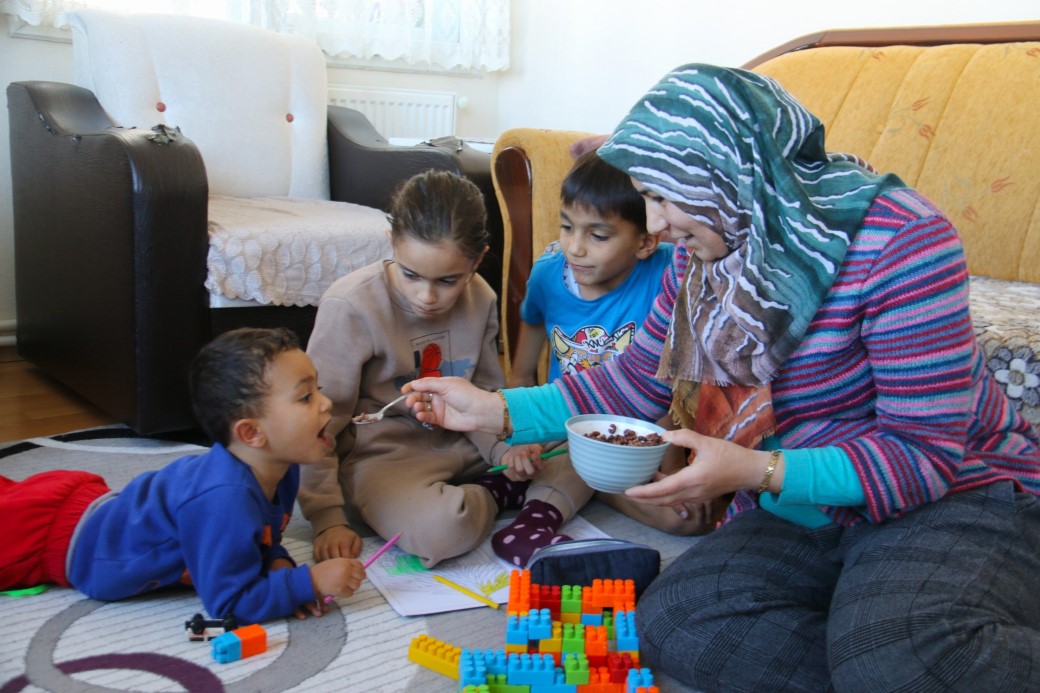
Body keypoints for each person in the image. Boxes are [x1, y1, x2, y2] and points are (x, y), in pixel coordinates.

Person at [405, 64, 1040, 691]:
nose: (654, 226)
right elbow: (631, 383)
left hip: (950, 494)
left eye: (663, 197)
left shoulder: (903, 242)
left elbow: (922, 456)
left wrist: (751, 471)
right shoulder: (707, 247)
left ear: (733, 174)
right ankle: (880, 654)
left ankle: (893, 651)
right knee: (679, 623)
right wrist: (492, 410)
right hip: (811, 510)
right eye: (646, 197)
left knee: (896, 655)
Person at [0, 327, 366, 625]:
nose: (326, 402)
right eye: (305, 397)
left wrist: (280, 571)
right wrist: (310, 580)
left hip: (90, 507)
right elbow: (229, 602)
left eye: (317, 388)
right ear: (252, 434)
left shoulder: (282, 468)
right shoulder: (225, 499)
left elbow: (256, 543)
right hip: (59, 541)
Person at [493, 149, 710, 569]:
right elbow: (520, 374)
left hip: (643, 433)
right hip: (565, 421)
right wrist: (517, 445)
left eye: (598, 235)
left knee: (687, 519)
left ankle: (578, 482)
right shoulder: (546, 275)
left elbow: (666, 394)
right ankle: (559, 480)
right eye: (567, 226)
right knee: (509, 456)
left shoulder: (672, 272)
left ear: (647, 240)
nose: (574, 248)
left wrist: (673, 477)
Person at [298, 169, 516, 569]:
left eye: (449, 280)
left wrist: (507, 450)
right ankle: (496, 494)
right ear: (391, 243)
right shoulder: (350, 306)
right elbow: (318, 422)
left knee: (570, 448)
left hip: (465, 445)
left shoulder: (482, 297)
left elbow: (487, 395)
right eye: (411, 274)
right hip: (384, 458)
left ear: (477, 261)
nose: (427, 296)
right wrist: (326, 514)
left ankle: (499, 483)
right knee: (443, 530)